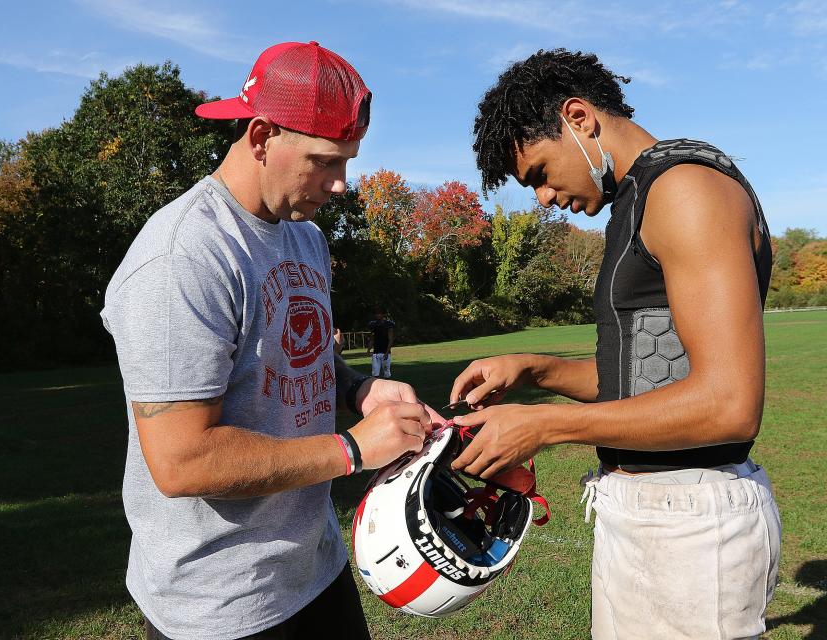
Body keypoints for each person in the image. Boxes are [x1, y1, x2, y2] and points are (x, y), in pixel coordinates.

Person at [100, 41, 442, 640]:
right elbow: (181, 460)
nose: (340, 185)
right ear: (261, 136)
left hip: (314, 571)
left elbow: (300, 354)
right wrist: (353, 450)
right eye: (324, 161)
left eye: (347, 161)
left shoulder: (302, 235)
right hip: (219, 604)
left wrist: (361, 392)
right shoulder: (184, 256)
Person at [449, 49, 780, 639]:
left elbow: (728, 402)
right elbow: (648, 377)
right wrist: (537, 370)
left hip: (694, 522)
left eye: (540, 175)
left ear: (578, 118)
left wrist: (545, 427)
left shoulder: (685, 189)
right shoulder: (637, 198)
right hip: (648, 514)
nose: (544, 200)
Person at [366, 309, 394, 378]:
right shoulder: (373, 325)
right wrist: (368, 350)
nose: (378, 315)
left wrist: (387, 352)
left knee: (387, 373)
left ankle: (387, 387)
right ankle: (377, 387)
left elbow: (391, 340)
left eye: (379, 313)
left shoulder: (388, 325)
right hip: (376, 352)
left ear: (383, 315)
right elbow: (372, 339)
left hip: (385, 352)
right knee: (375, 374)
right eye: (376, 313)